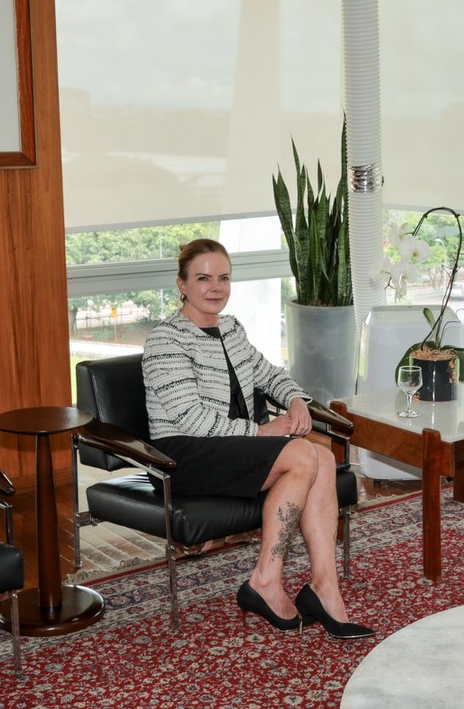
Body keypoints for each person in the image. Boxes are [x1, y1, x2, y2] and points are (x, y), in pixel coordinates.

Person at [142, 238, 373, 639]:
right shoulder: (165, 340)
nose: (216, 287)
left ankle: (324, 587)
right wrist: (264, 431)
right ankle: (266, 581)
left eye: (224, 278)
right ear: (181, 284)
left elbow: (269, 375)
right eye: (203, 278)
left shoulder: (231, 329)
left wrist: (297, 399)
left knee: (317, 455)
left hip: (232, 446)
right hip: (181, 455)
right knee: (304, 456)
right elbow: (192, 419)